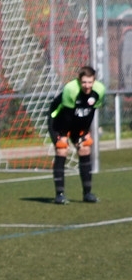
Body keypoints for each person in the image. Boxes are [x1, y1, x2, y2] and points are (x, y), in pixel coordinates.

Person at [47, 65, 105, 204]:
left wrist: (84, 132)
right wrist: (63, 136)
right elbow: (66, 116)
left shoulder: (99, 90)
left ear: (94, 81)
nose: (87, 86)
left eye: (90, 82)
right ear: (79, 80)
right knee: (62, 150)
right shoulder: (71, 89)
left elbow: (90, 113)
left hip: (78, 122)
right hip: (59, 121)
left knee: (85, 148)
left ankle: (87, 193)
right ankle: (59, 194)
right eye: (84, 82)